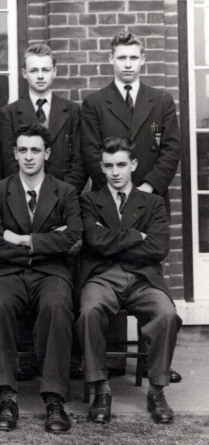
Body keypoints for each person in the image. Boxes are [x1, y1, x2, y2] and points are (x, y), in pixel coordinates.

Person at [81, 31, 183, 383]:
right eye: (121, 58)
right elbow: (94, 154)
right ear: (111, 59)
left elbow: (171, 149)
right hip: (109, 201)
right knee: (108, 270)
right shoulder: (96, 102)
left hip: (149, 199)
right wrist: (116, 184)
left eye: (133, 58)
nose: (127, 64)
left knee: (146, 273)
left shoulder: (161, 100)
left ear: (143, 60)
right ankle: (109, 365)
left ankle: (151, 364)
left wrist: (146, 188)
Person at [0, 123, 82, 433]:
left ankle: (54, 399)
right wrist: (47, 242)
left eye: (35, 150)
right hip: (8, 272)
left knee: (56, 304)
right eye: (23, 150)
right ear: (14, 153)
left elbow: (75, 236)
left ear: (47, 153)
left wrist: (25, 240)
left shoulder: (64, 191)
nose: (28, 157)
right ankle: (6, 397)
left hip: (51, 273)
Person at [77, 136, 182, 425]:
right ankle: (101, 389)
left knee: (166, 313)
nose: (115, 172)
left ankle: (157, 391)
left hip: (143, 278)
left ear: (133, 165)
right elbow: (94, 240)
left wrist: (113, 240)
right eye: (109, 166)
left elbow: (159, 248)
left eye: (121, 164)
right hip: (103, 277)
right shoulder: (89, 200)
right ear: (101, 167)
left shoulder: (152, 202)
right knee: (89, 310)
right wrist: (137, 235)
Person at [0, 43, 86, 192]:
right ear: (24, 73)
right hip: (24, 197)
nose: (40, 76)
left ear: (55, 72)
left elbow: (79, 163)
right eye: (34, 70)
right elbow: (9, 163)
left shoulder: (72, 110)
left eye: (46, 70)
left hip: (63, 198)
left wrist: (64, 196)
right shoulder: (9, 113)